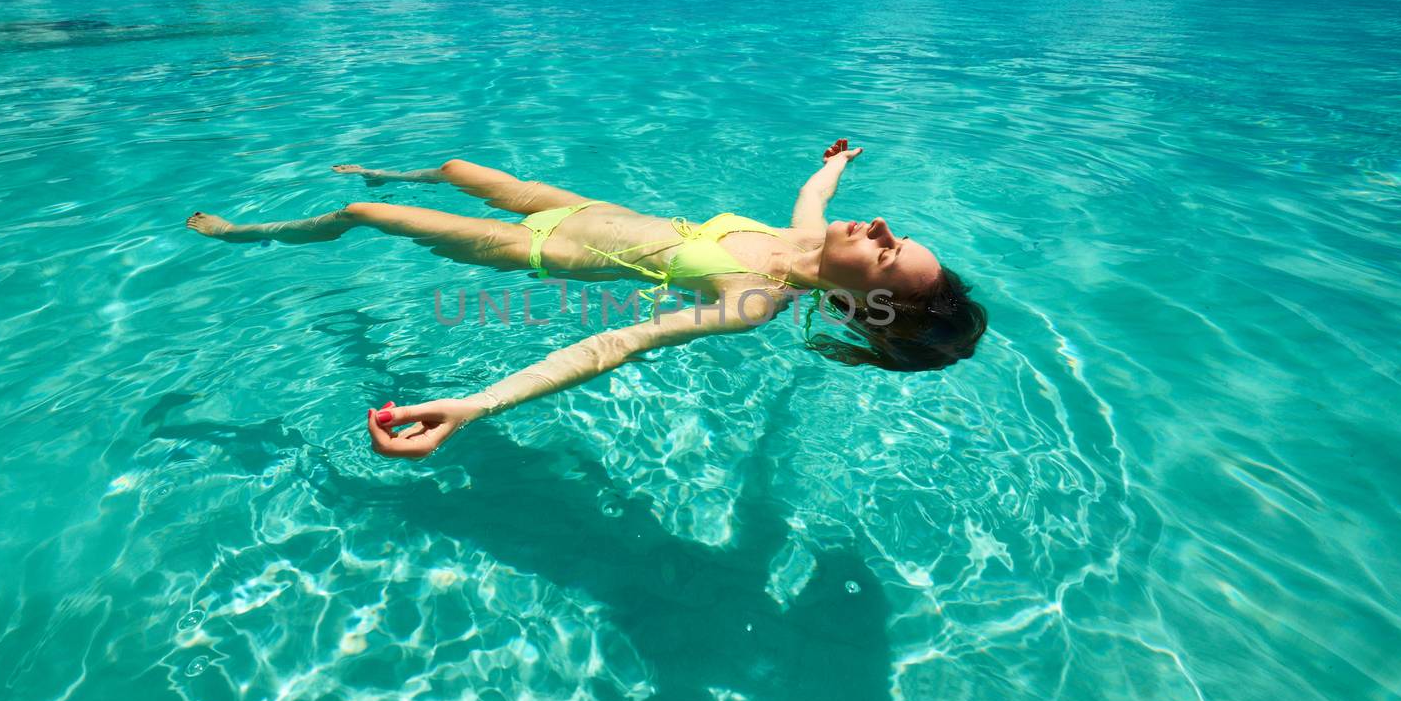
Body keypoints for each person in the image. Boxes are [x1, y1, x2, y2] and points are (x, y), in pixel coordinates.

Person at [186, 139, 986, 459]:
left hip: (543, 248)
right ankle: (387, 173)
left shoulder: (755, 298)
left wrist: (480, 404)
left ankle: (252, 234)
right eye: (897, 233)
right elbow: (816, 187)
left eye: (886, 253)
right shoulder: (806, 238)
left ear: (858, 299)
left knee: (363, 219)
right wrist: (838, 160)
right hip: (584, 205)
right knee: (461, 169)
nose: (881, 227)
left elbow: (618, 345)